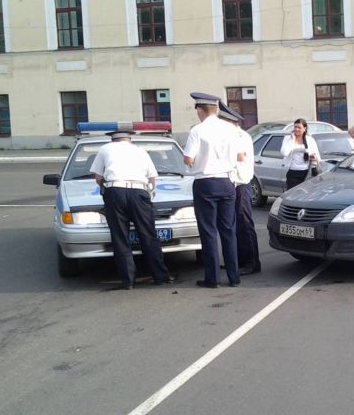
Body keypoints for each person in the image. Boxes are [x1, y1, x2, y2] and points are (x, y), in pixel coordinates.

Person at [91, 130, 175, 290]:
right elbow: (152, 178)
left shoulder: (105, 149)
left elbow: (98, 178)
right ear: (129, 139)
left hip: (115, 191)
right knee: (148, 235)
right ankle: (160, 276)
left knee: (120, 237)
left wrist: (107, 191)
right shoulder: (140, 151)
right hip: (139, 191)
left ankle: (128, 280)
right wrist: (147, 195)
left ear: (112, 139)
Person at [183, 92, 242, 288]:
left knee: (208, 232)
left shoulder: (197, 131)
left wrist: (199, 161)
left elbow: (188, 159)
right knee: (228, 231)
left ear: (200, 110)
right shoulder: (231, 129)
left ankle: (213, 278)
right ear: (216, 110)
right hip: (227, 182)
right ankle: (234, 277)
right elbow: (240, 156)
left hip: (205, 183)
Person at [218, 102, 261, 276]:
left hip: (241, 185)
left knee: (244, 223)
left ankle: (251, 262)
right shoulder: (232, 136)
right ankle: (237, 261)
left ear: (230, 122)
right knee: (234, 224)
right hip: (232, 184)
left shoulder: (240, 136)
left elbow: (240, 156)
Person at [281, 118, 320, 190]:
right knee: (292, 195)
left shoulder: (310, 140)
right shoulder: (288, 139)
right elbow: (284, 153)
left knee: (305, 195)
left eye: (299, 127)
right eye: (295, 127)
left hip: (306, 173)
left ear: (304, 128)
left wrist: (313, 157)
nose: (297, 129)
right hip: (292, 172)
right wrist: (292, 140)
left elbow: (317, 157)